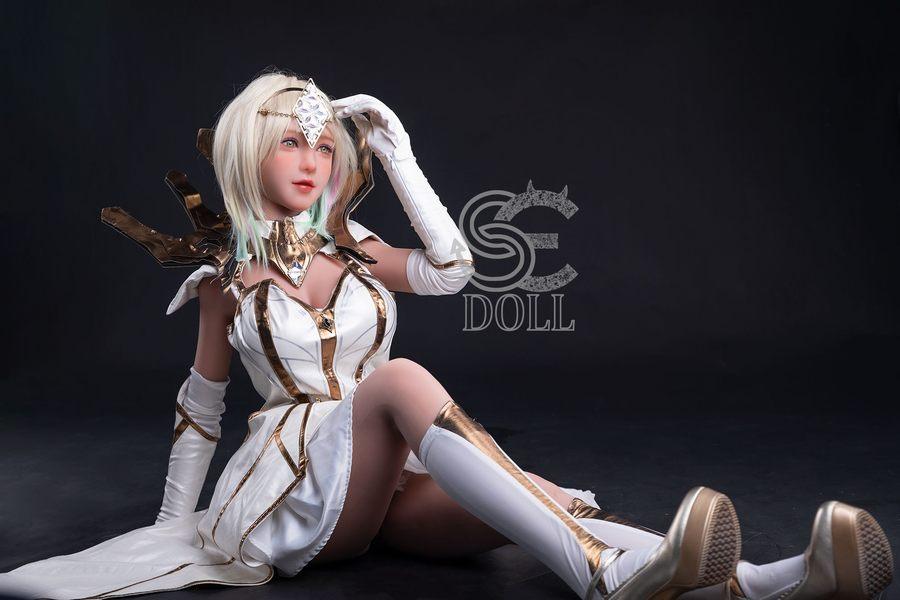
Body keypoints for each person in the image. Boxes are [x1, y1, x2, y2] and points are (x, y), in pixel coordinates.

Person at [0, 69, 892, 600]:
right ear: (246, 153)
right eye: (290, 143)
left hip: (387, 483)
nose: (312, 160)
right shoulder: (224, 283)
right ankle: (602, 576)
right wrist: (172, 528)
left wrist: (400, 155)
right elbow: (200, 410)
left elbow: (454, 268)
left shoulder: (356, 248)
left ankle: (772, 581)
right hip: (291, 495)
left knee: (527, 499)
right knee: (399, 380)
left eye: (325, 146)